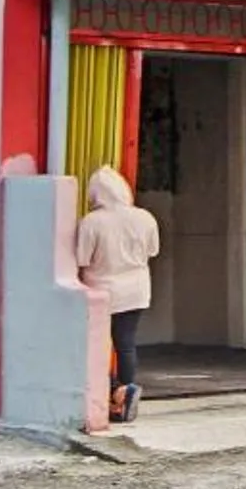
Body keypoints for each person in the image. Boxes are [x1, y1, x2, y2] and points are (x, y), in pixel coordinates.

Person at [76, 165, 161, 424]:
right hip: (136, 290)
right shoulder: (145, 217)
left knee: (98, 346)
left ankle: (109, 393)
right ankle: (126, 389)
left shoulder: (92, 222)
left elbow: (82, 258)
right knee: (125, 343)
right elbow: (153, 251)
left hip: (102, 292)